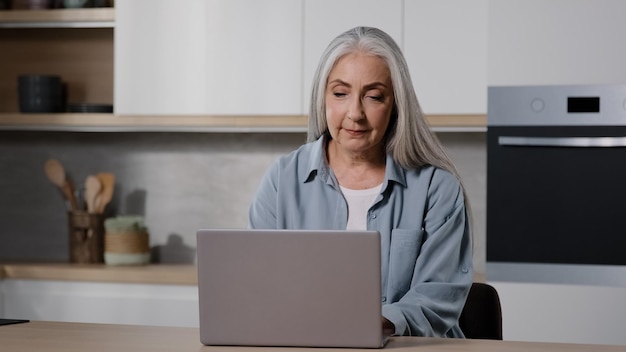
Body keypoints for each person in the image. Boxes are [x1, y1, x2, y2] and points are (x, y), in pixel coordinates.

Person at [248, 26, 473, 338]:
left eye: (374, 96)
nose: (355, 113)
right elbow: (259, 284)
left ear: (396, 104)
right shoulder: (282, 180)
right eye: (340, 94)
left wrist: (368, 324)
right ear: (322, 97)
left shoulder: (437, 187)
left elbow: (438, 296)